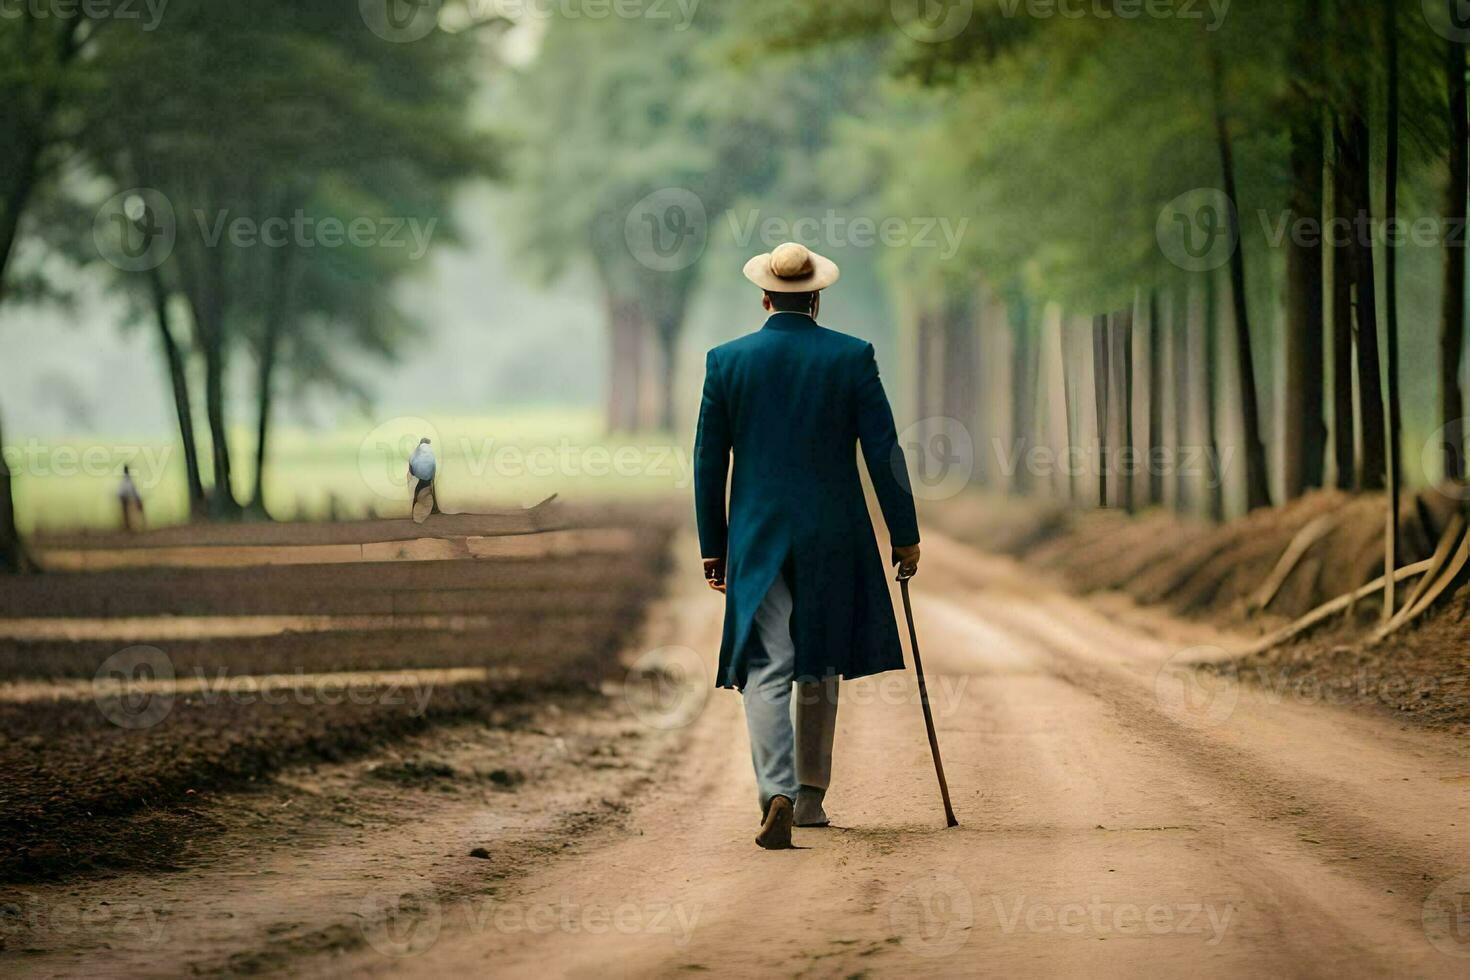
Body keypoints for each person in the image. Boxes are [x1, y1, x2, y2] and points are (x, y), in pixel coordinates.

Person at [693, 241, 921, 850]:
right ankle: (813, 797)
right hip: (833, 535)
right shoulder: (852, 357)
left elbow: (708, 462)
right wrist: (904, 533)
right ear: (816, 298)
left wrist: (712, 545)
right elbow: (884, 453)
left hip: (758, 536)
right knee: (818, 663)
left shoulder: (726, 362)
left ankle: (777, 793)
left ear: (764, 296)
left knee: (767, 665)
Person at [118, 465, 145, 532]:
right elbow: (133, 491)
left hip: (123, 496)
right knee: (126, 512)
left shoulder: (124, 479)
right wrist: (137, 498)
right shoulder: (128, 479)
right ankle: (128, 527)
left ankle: (127, 526)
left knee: (125, 512)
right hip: (124, 496)